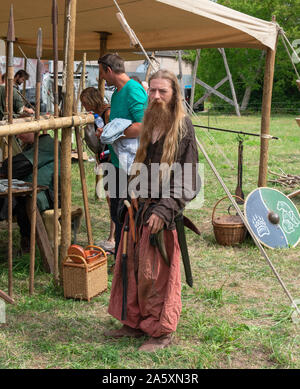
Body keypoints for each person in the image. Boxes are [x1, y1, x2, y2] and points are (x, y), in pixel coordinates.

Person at [104, 69, 200, 352]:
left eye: (163, 92)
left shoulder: (182, 127)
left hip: (161, 214)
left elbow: (188, 177)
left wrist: (165, 208)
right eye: (153, 91)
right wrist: (129, 193)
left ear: (174, 96)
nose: (156, 96)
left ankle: (160, 331)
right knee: (130, 265)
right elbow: (141, 166)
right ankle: (134, 322)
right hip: (138, 209)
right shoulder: (148, 121)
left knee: (155, 274)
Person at [98, 53, 148, 258]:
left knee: (129, 215)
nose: (101, 77)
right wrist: (108, 132)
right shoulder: (117, 94)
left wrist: (114, 133)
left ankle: (131, 259)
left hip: (133, 165)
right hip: (118, 163)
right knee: (117, 213)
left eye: (101, 72)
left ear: (109, 70)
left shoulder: (133, 90)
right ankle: (121, 259)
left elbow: (143, 126)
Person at [0, 132, 60, 253]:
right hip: (30, 193)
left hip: (45, 196)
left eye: (21, 132)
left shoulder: (47, 144)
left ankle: (28, 245)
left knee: (10, 201)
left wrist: (3, 170)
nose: (18, 136)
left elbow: (18, 165)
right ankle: (26, 242)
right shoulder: (31, 145)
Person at [80, 87, 115, 252]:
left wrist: (106, 157)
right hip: (105, 159)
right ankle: (113, 236)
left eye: (85, 102)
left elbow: (111, 139)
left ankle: (113, 237)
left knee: (113, 200)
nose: (84, 105)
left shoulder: (107, 113)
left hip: (112, 160)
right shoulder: (96, 114)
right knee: (111, 200)